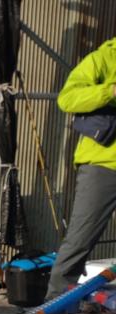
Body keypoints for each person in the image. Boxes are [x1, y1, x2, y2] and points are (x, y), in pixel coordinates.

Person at [45, 38, 116, 299]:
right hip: (102, 165)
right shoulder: (102, 59)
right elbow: (68, 99)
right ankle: (56, 307)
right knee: (79, 241)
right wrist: (109, 91)